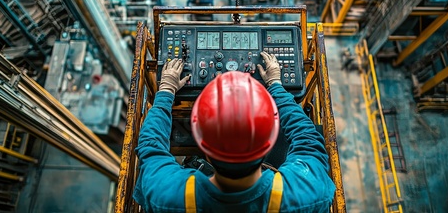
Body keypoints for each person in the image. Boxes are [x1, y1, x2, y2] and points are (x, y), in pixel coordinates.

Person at [133, 52, 336, 212]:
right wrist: (276, 86)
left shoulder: (165, 196)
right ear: (271, 139)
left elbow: (151, 148)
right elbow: (308, 140)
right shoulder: (308, 194)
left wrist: (166, 90)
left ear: (200, 143)